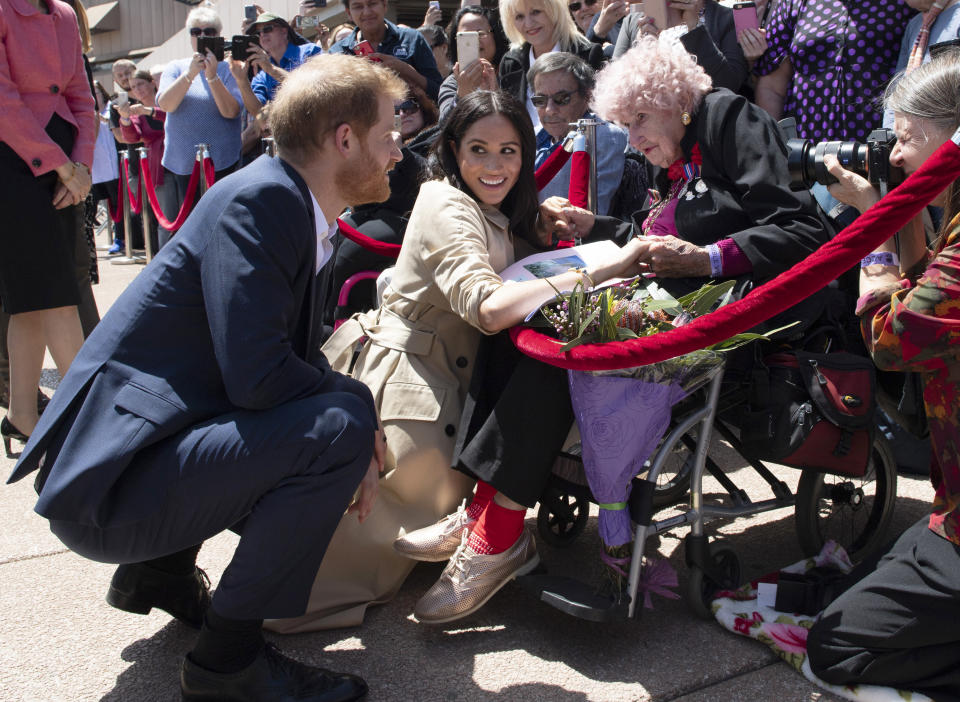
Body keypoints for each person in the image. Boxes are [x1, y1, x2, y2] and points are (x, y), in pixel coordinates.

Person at [7, 53, 406, 701]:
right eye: (389, 131)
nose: (398, 147)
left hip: (123, 474)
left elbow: (257, 372)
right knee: (338, 424)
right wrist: (357, 418)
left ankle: (158, 575)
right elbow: (260, 379)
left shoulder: (281, 199)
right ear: (344, 138)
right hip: (107, 496)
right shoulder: (265, 202)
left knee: (335, 416)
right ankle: (228, 663)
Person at [395, 36, 830, 624]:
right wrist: (593, 224)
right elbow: (656, 233)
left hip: (733, 307)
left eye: (640, 118)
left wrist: (708, 260)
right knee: (528, 321)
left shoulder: (727, 115)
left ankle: (497, 531)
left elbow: (802, 230)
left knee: (565, 342)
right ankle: (483, 512)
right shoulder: (673, 151)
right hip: (667, 294)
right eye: (624, 123)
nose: (635, 137)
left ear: (675, 99)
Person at [267, 89, 646, 632]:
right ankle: (492, 528)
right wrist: (604, 270)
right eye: (478, 150)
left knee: (548, 347)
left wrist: (544, 222)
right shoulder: (445, 202)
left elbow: (504, 243)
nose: (495, 166)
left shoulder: (489, 201)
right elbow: (489, 308)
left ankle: (491, 522)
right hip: (416, 388)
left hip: (460, 386)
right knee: (344, 564)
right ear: (451, 149)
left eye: (509, 151)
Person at [804, 52, 960, 702]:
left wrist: (874, 233)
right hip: (948, 510)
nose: (893, 158)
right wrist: (899, 216)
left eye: (906, 140)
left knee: (834, 646)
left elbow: (893, 340)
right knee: (848, 592)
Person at [0, 0, 94, 457]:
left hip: (63, 159)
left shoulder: (63, 13)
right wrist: (62, 165)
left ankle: (22, 413)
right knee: (54, 295)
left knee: (34, 300)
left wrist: (83, 166)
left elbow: (81, 95)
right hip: (12, 159)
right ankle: (84, 416)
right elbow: (1, 98)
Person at [754, 0, 913, 143]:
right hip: (804, 148)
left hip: (879, 143)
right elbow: (772, 87)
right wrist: (774, 145)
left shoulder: (906, 4)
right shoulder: (793, 3)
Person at [156, 6, 242, 248]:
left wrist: (212, 76)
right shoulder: (175, 67)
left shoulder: (228, 68)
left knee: (220, 226)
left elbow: (231, 111)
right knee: (185, 228)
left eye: (209, 31)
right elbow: (166, 104)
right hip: (182, 164)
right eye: (196, 31)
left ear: (219, 35)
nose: (202, 36)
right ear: (190, 36)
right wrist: (191, 74)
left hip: (222, 162)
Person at [529, 52, 627, 215]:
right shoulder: (531, 136)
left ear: (587, 95)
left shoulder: (603, 137)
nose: (550, 110)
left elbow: (591, 215)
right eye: (540, 100)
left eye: (561, 98)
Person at [497, 0, 605, 132]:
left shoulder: (588, 54)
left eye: (536, 12)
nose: (529, 23)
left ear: (554, 11)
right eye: (519, 16)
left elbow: (599, 118)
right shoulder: (511, 63)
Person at [612, 0, 749, 92]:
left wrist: (695, 29)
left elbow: (729, 85)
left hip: (701, 126)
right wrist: (643, 46)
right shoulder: (634, 21)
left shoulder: (726, 19)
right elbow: (613, 87)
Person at [328, 0, 445, 101]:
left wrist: (406, 71)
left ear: (384, 5)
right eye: (358, 6)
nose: (367, 12)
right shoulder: (338, 52)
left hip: (412, 124)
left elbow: (439, 91)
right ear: (349, 13)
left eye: (372, 3)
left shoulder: (412, 39)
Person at [116, 70, 165, 252]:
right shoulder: (135, 112)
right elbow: (131, 137)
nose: (137, 89)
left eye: (140, 84)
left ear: (152, 83)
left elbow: (171, 117)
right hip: (155, 166)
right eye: (133, 86)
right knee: (157, 217)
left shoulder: (167, 100)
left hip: (178, 160)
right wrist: (125, 119)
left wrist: (149, 111)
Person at [236, 12, 323, 113]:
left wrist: (272, 69)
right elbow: (258, 112)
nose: (262, 35)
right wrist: (241, 80)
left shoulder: (310, 52)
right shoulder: (262, 76)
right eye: (258, 33)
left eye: (267, 29)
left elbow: (314, 89)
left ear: (284, 31)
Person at [437, 5, 510, 123]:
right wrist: (462, 95)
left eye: (480, 33)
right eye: (465, 36)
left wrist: (496, 94)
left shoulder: (512, 74)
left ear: (495, 35)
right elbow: (444, 126)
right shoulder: (453, 83)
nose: (475, 41)